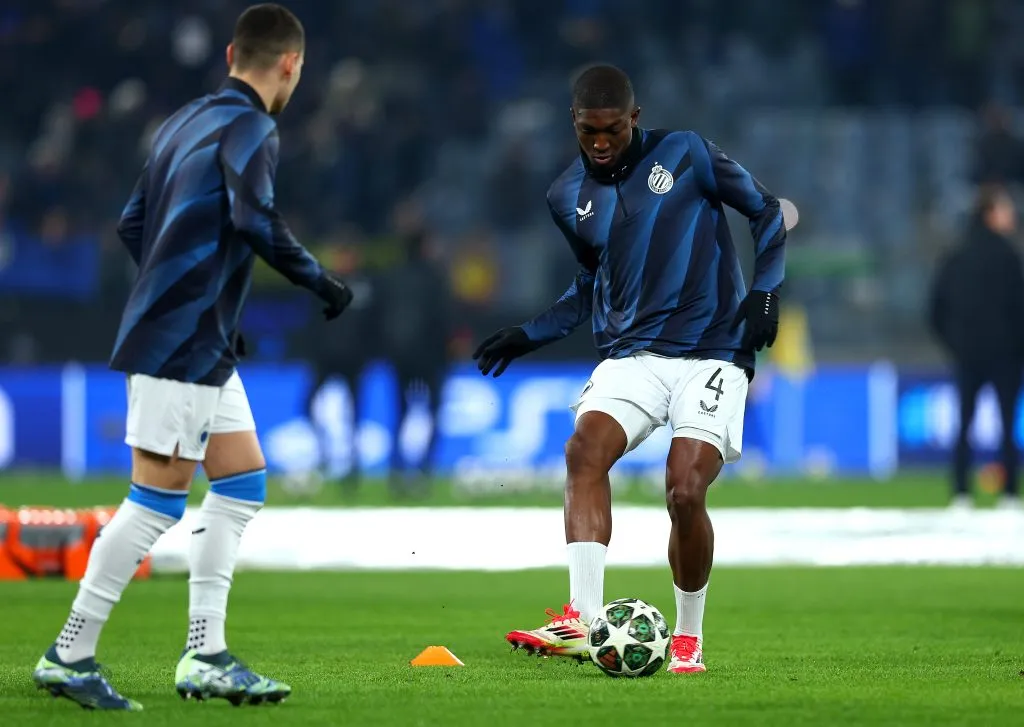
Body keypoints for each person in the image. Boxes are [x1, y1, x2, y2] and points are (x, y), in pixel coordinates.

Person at [32, 4, 352, 710]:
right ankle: (70, 651)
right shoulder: (254, 126)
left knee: (240, 483)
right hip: (181, 338)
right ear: (291, 65)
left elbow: (131, 223)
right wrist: (320, 281)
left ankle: (206, 653)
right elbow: (255, 218)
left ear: (232, 53)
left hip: (195, 334)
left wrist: (189, 291)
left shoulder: (180, 123)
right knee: (154, 502)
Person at [473, 65, 785, 675]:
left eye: (612, 129)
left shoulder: (686, 153)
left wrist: (766, 295)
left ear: (633, 119)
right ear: (574, 122)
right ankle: (582, 621)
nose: (599, 142)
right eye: (588, 131)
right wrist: (530, 333)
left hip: (713, 352)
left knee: (684, 490)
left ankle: (689, 639)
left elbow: (767, 213)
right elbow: (591, 285)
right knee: (583, 452)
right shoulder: (566, 197)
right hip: (632, 355)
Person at [929, 185, 1024, 510]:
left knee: (964, 423)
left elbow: (936, 311)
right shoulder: (1011, 258)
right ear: (991, 214)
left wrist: (956, 345)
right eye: (1006, 208)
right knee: (1008, 425)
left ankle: (960, 493)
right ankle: (1010, 493)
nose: (1011, 215)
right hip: (1005, 357)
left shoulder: (956, 256)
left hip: (967, 355)